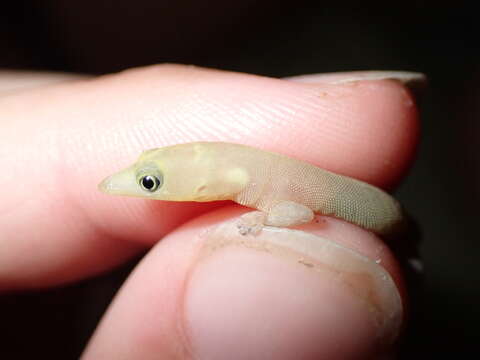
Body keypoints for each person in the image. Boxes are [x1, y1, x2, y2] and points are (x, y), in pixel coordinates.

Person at [0, 64, 421, 359]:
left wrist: (262, 219)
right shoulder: (248, 167)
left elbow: (297, 215)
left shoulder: (269, 190)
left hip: (394, 227)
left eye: (150, 182)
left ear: (204, 188)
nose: (120, 183)